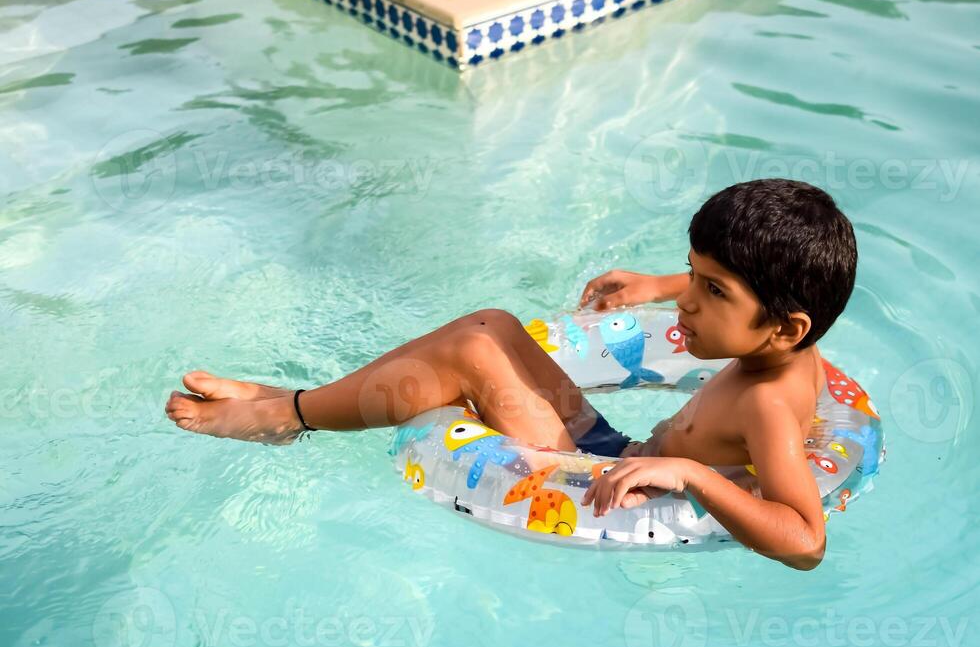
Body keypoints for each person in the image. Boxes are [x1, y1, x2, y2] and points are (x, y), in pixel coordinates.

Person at [165, 179, 857, 570]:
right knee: (493, 323)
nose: (687, 301)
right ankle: (297, 404)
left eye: (710, 290)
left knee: (471, 355)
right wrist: (659, 281)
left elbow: (805, 540)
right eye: (695, 277)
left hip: (587, 475)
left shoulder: (767, 403)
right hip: (612, 449)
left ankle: (288, 414)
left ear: (785, 326)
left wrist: (698, 477)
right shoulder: (781, 341)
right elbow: (753, 296)